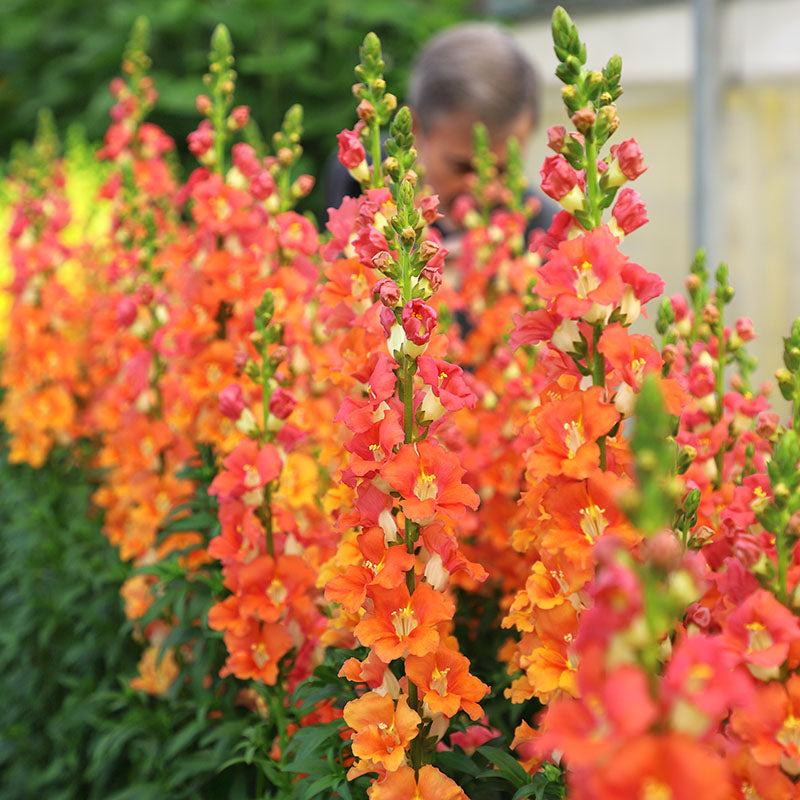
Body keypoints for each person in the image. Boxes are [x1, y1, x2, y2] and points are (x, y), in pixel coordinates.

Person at [323, 22, 557, 238]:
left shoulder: (538, 226)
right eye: (463, 167)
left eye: (502, 170)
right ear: (414, 130)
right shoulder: (358, 178)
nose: (483, 191)